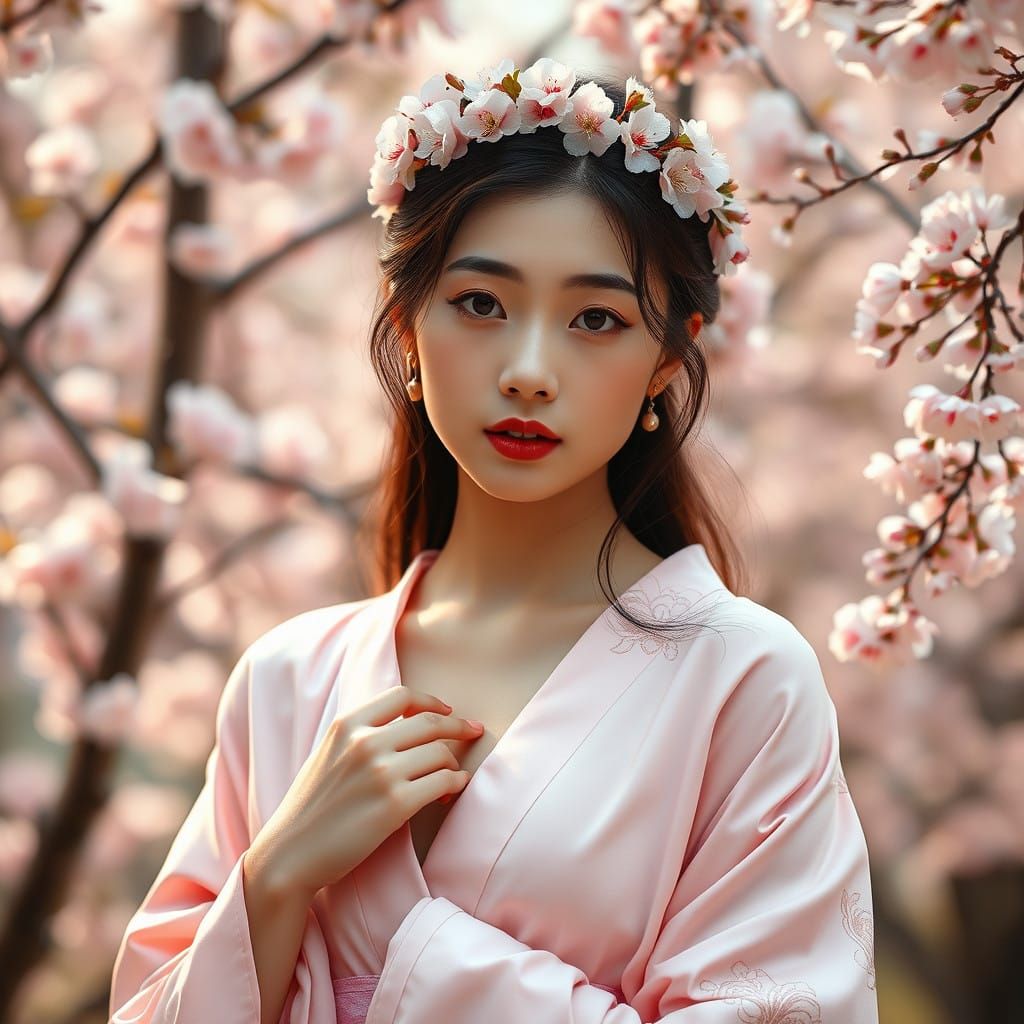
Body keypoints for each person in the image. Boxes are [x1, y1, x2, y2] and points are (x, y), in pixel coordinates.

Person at [108, 58, 880, 1024]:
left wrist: (416, 960)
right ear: (408, 326)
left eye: (595, 319)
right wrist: (272, 881)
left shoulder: (744, 679)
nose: (526, 371)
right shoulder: (287, 677)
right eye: (480, 303)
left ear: (666, 362)